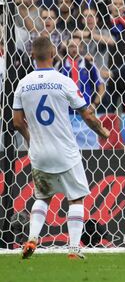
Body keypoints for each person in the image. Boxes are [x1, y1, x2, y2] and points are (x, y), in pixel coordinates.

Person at [13, 37, 110, 260]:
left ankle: (32, 238)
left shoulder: (23, 83)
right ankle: (74, 248)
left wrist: (31, 140)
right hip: (65, 151)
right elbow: (86, 114)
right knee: (75, 199)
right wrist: (101, 132)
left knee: (43, 197)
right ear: (54, 53)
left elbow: (17, 122)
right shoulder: (63, 81)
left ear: (32, 56)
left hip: (39, 153)